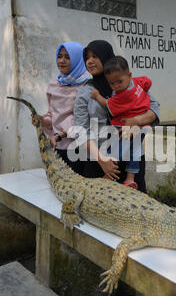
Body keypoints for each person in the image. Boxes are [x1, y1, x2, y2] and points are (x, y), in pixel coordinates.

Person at [72, 40, 160, 193]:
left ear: (106, 56)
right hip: (100, 162)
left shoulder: (129, 84)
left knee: (137, 208)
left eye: (95, 56)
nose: (90, 61)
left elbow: (154, 109)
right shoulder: (85, 93)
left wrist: (135, 121)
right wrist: (102, 160)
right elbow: (81, 131)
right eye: (87, 57)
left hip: (131, 159)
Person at [91, 55, 152, 189]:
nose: (116, 86)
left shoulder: (123, 95)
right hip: (142, 127)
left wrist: (97, 96)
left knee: (116, 150)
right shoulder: (137, 82)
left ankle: (109, 175)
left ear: (129, 75)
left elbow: (107, 104)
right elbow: (147, 81)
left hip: (125, 127)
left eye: (119, 81)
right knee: (134, 151)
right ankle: (130, 178)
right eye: (112, 83)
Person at [35, 41, 90, 174]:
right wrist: (42, 120)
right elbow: (52, 114)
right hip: (57, 145)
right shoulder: (54, 84)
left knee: (77, 186)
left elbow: (86, 119)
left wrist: (62, 133)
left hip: (79, 146)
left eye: (68, 57)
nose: (62, 61)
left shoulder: (87, 85)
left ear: (78, 59)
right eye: (60, 56)